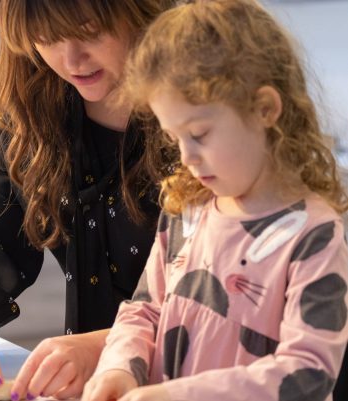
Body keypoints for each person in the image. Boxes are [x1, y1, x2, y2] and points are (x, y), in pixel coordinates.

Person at [81, 1, 348, 400]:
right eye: (175, 138)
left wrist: (176, 396)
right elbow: (145, 310)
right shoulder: (186, 212)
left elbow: (306, 375)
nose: (186, 157)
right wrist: (120, 366)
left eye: (200, 134)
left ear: (264, 109)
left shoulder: (315, 236)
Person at [0, 1, 177, 400]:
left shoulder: (206, 118)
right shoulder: (29, 100)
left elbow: (229, 294)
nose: (71, 60)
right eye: (48, 37)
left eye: (89, 30)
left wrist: (103, 347)